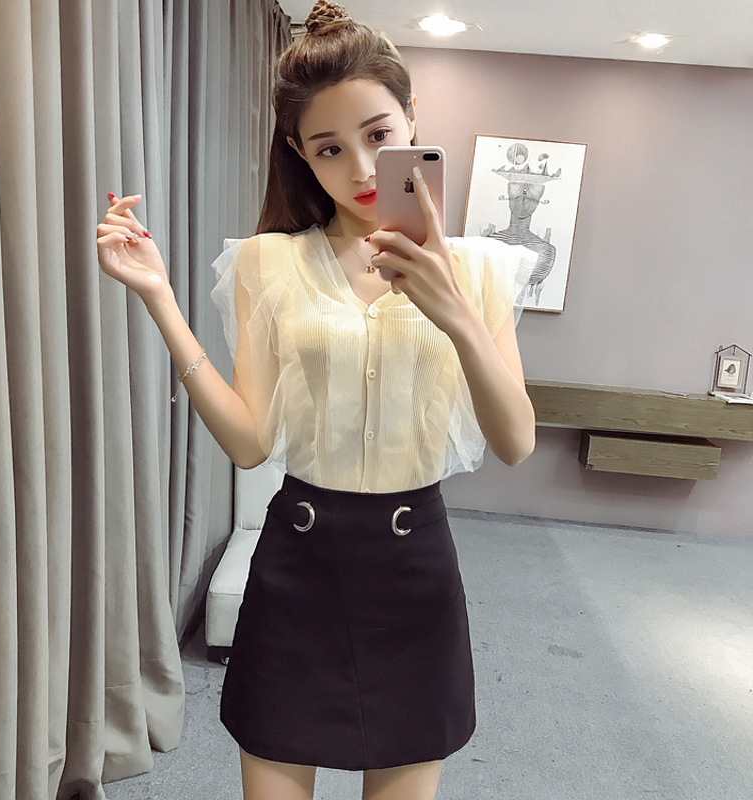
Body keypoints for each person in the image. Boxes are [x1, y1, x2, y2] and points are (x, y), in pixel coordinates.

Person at [96, 2, 535, 798]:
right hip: (297, 568)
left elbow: (515, 443)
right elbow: (250, 444)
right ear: (300, 152)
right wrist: (161, 301)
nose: (362, 169)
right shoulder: (268, 263)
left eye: (378, 134)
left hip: (415, 569)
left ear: (412, 118)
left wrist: (455, 313)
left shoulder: (478, 271)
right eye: (330, 148)